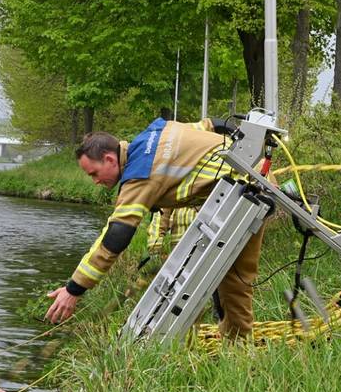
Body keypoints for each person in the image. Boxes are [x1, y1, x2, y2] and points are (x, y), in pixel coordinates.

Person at [45, 117, 264, 340]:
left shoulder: (140, 172)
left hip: (245, 193)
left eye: (94, 173)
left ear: (109, 159)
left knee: (232, 278)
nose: (95, 181)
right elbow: (210, 124)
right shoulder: (157, 132)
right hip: (253, 177)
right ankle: (237, 342)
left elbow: (116, 235)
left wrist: (74, 289)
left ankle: (237, 343)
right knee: (233, 278)